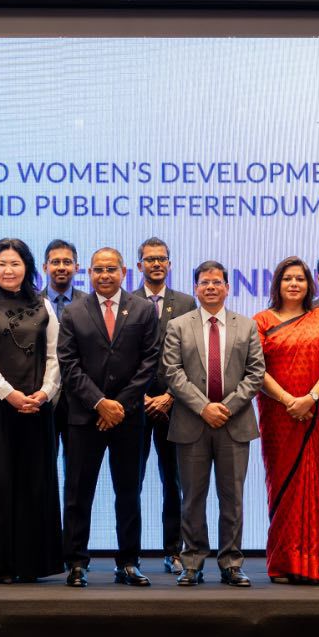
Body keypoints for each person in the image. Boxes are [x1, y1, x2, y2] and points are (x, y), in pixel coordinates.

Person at [0, 239, 64, 583]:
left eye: (15, 263)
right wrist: (9, 395)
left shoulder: (44, 305)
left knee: (34, 486)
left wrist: (45, 393)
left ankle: (32, 565)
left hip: (37, 408)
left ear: (27, 268)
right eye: (2, 263)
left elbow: (55, 356)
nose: (8, 270)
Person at [58, 247, 159, 587]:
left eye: (111, 269)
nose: (105, 275)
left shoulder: (143, 309)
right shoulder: (73, 311)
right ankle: (76, 562)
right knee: (78, 493)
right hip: (85, 417)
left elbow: (150, 361)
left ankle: (128, 562)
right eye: (98, 269)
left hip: (128, 418)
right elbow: (68, 364)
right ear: (88, 272)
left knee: (128, 492)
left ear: (124, 272)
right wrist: (100, 402)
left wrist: (119, 406)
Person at [163, 260, 264, 587]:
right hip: (192, 423)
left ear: (227, 287)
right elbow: (173, 373)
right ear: (195, 288)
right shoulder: (178, 325)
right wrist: (204, 407)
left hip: (234, 424)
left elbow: (256, 373)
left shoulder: (246, 326)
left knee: (232, 498)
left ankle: (231, 563)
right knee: (192, 498)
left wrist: (227, 407)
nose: (210, 287)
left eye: (217, 282)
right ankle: (192, 563)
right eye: (204, 282)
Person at [254, 256, 319, 584]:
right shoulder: (262, 321)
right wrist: (288, 400)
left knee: (311, 484)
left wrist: (310, 398)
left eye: (300, 279)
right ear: (277, 284)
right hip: (277, 416)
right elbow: (256, 369)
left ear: (310, 285)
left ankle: (313, 563)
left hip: (314, 414)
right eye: (287, 278)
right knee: (283, 484)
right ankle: (282, 563)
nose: (294, 284)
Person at [134, 236, 196, 575]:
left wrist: (171, 395)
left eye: (161, 259)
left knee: (174, 482)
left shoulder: (186, 302)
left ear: (170, 264)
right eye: (150, 259)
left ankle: (174, 551)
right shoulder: (127, 302)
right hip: (137, 405)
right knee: (132, 482)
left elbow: (193, 356)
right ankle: (130, 554)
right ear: (139, 264)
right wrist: (140, 397)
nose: (156, 264)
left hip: (175, 405)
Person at [41, 239, 85, 465]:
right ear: (45, 267)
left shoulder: (89, 304)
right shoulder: (31, 304)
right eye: (55, 262)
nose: (61, 267)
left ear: (76, 267)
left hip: (79, 398)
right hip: (42, 396)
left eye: (67, 262)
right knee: (42, 467)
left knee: (77, 469)